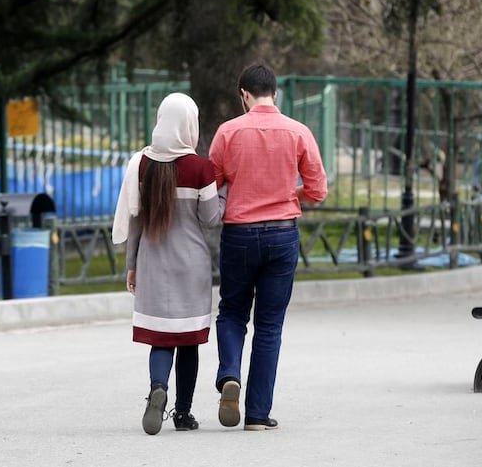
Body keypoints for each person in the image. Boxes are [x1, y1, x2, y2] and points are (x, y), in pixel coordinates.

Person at [209, 63, 328, 431]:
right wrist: (289, 193)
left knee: (231, 312)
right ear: (275, 93)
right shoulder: (298, 132)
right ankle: (258, 415)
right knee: (270, 326)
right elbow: (318, 191)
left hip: (240, 234)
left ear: (244, 95)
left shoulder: (228, 132)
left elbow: (212, 184)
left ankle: (230, 373)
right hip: (281, 234)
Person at [112, 92, 224, 436]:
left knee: (161, 339)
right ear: (190, 124)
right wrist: (223, 193)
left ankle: (157, 388)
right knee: (188, 341)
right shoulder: (201, 168)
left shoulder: (141, 165)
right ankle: (184, 413)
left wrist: (132, 265)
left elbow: (134, 220)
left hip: (152, 263)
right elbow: (211, 219)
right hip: (191, 267)